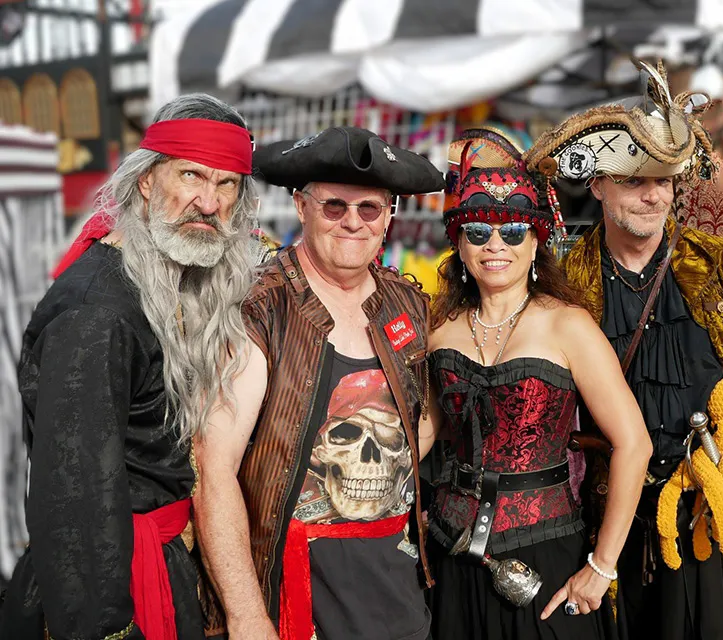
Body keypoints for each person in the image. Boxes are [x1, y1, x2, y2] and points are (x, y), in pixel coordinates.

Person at [523, 60, 723, 640]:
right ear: (597, 184)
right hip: (616, 533)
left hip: (715, 521)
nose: (651, 196)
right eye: (633, 181)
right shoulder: (562, 284)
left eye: (662, 181)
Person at [0, 93, 260, 640]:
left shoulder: (163, 281)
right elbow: (73, 496)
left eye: (226, 184)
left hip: (159, 565)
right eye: (191, 175)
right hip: (114, 588)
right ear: (147, 182)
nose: (209, 203)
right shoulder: (97, 312)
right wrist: (109, 628)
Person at [194, 126, 446, 640]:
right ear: (301, 206)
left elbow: (426, 418)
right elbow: (212, 469)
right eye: (334, 206)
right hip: (291, 585)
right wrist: (245, 616)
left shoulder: (409, 304)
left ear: (389, 216)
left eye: (369, 209)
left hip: (393, 582)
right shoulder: (260, 310)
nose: (353, 222)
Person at [421, 135, 651, 640]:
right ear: (459, 243)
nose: (495, 247)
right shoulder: (441, 329)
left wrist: (602, 565)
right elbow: (422, 435)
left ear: (536, 241)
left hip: (545, 555)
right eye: (478, 233)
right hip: (451, 552)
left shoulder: (568, 326)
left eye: (514, 232)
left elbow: (634, 444)